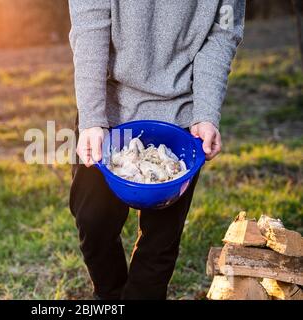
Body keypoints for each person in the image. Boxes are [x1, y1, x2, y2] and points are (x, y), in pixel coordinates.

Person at [68, 0, 245, 300]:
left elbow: (222, 33)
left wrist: (205, 112)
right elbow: (89, 26)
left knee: (159, 244)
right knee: (93, 221)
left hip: (180, 118)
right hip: (109, 114)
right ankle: (110, 296)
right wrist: (92, 118)